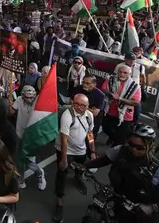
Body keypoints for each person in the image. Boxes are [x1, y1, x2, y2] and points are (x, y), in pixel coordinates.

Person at [83, 124, 159, 223]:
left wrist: (152, 208)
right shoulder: (120, 150)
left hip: (143, 211)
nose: (133, 149)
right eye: (130, 144)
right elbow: (103, 160)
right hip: (120, 198)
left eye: (139, 148)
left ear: (149, 146)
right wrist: (85, 167)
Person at [53, 93, 95, 222]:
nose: (79, 107)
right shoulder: (67, 116)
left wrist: (92, 151)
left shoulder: (89, 116)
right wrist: (64, 159)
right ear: (72, 103)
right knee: (61, 175)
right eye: (76, 104)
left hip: (81, 150)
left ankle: (78, 177)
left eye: (83, 105)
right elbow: (64, 140)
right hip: (66, 151)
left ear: (87, 106)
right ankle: (59, 203)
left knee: (80, 168)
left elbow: (90, 133)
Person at [9, 85, 46, 191]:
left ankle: (39, 173)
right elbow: (11, 112)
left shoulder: (38, 101)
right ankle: (21, 179)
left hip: (32, 136)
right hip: (19, 134)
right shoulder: (19, 100)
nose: (30, 99)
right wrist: (10, 102)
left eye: (31, 97)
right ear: (22, 96)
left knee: (30, 163)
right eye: (27, 97)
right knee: (19, 160)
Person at [102, 65, 141, 146]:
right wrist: (110, 94)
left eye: (125, 73)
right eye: (120, 72)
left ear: (130, 74)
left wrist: (120, 98)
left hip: (125, 115)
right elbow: (104, 89)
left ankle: (117, 145)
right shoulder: (111, 79)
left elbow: (136, 103)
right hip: (110, 112)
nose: (122, 74)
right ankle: (116, 139)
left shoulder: (135, 86)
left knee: (120, 141)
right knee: (105, 128)